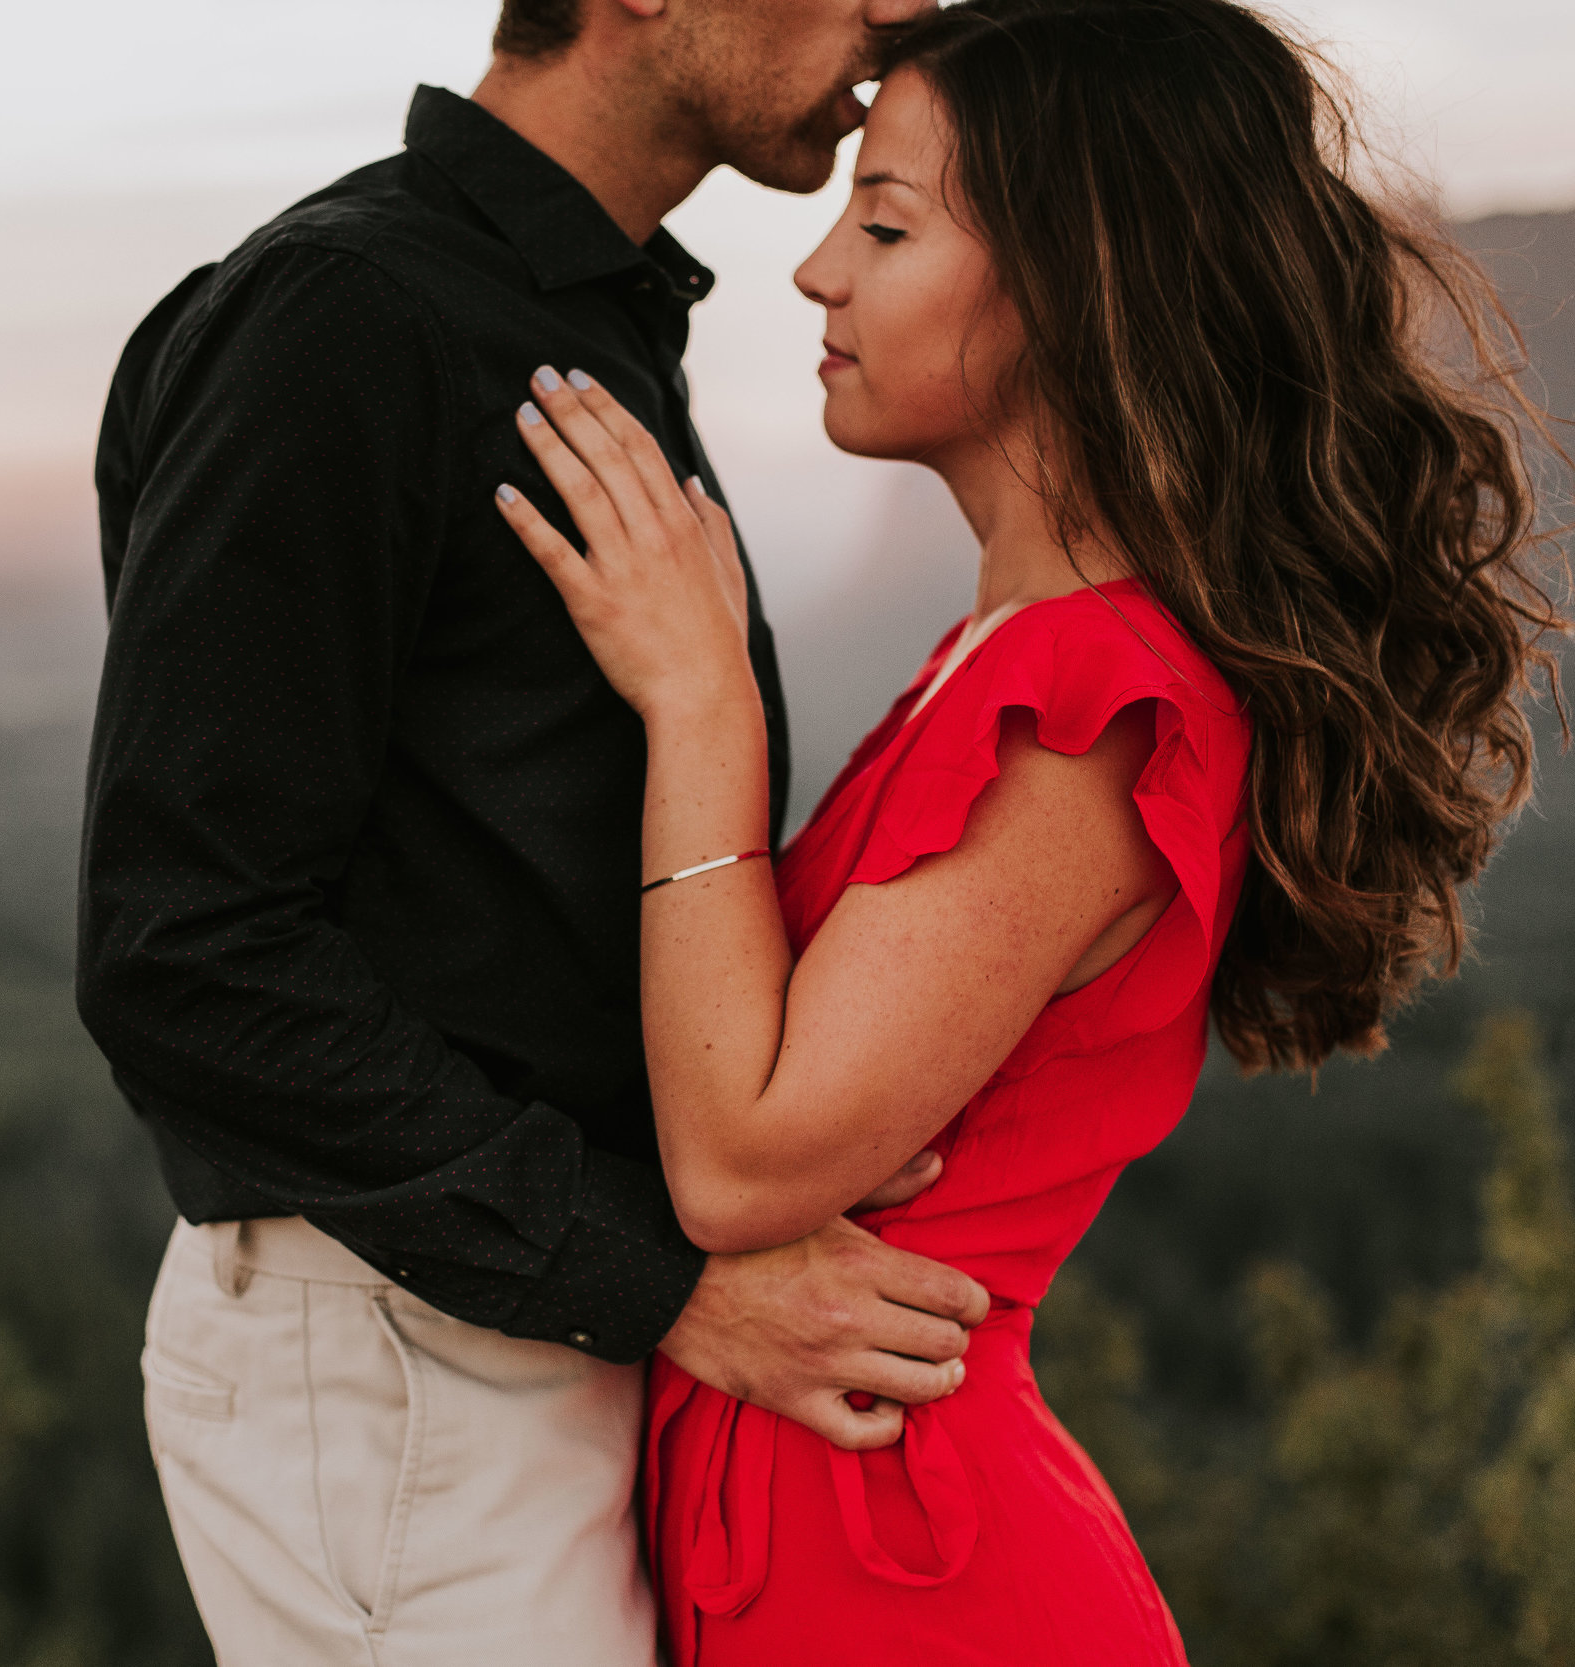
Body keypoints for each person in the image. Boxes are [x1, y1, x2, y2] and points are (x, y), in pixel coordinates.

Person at [488, 0, 1572, 1660]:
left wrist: (699, 700)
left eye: (890, 221)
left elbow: (741, 1159)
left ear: (1078, 283)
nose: (816, 272)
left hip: (908, 1577)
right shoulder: (1003, 661)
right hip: (825, 1527)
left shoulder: (1089, 704)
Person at [80, 3, 991, 1663]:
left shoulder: (573, 320)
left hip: (529, 1334)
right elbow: (180, 945)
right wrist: (667, 1280)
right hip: (405, 1357)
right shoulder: (349, 315)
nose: (901, 9)